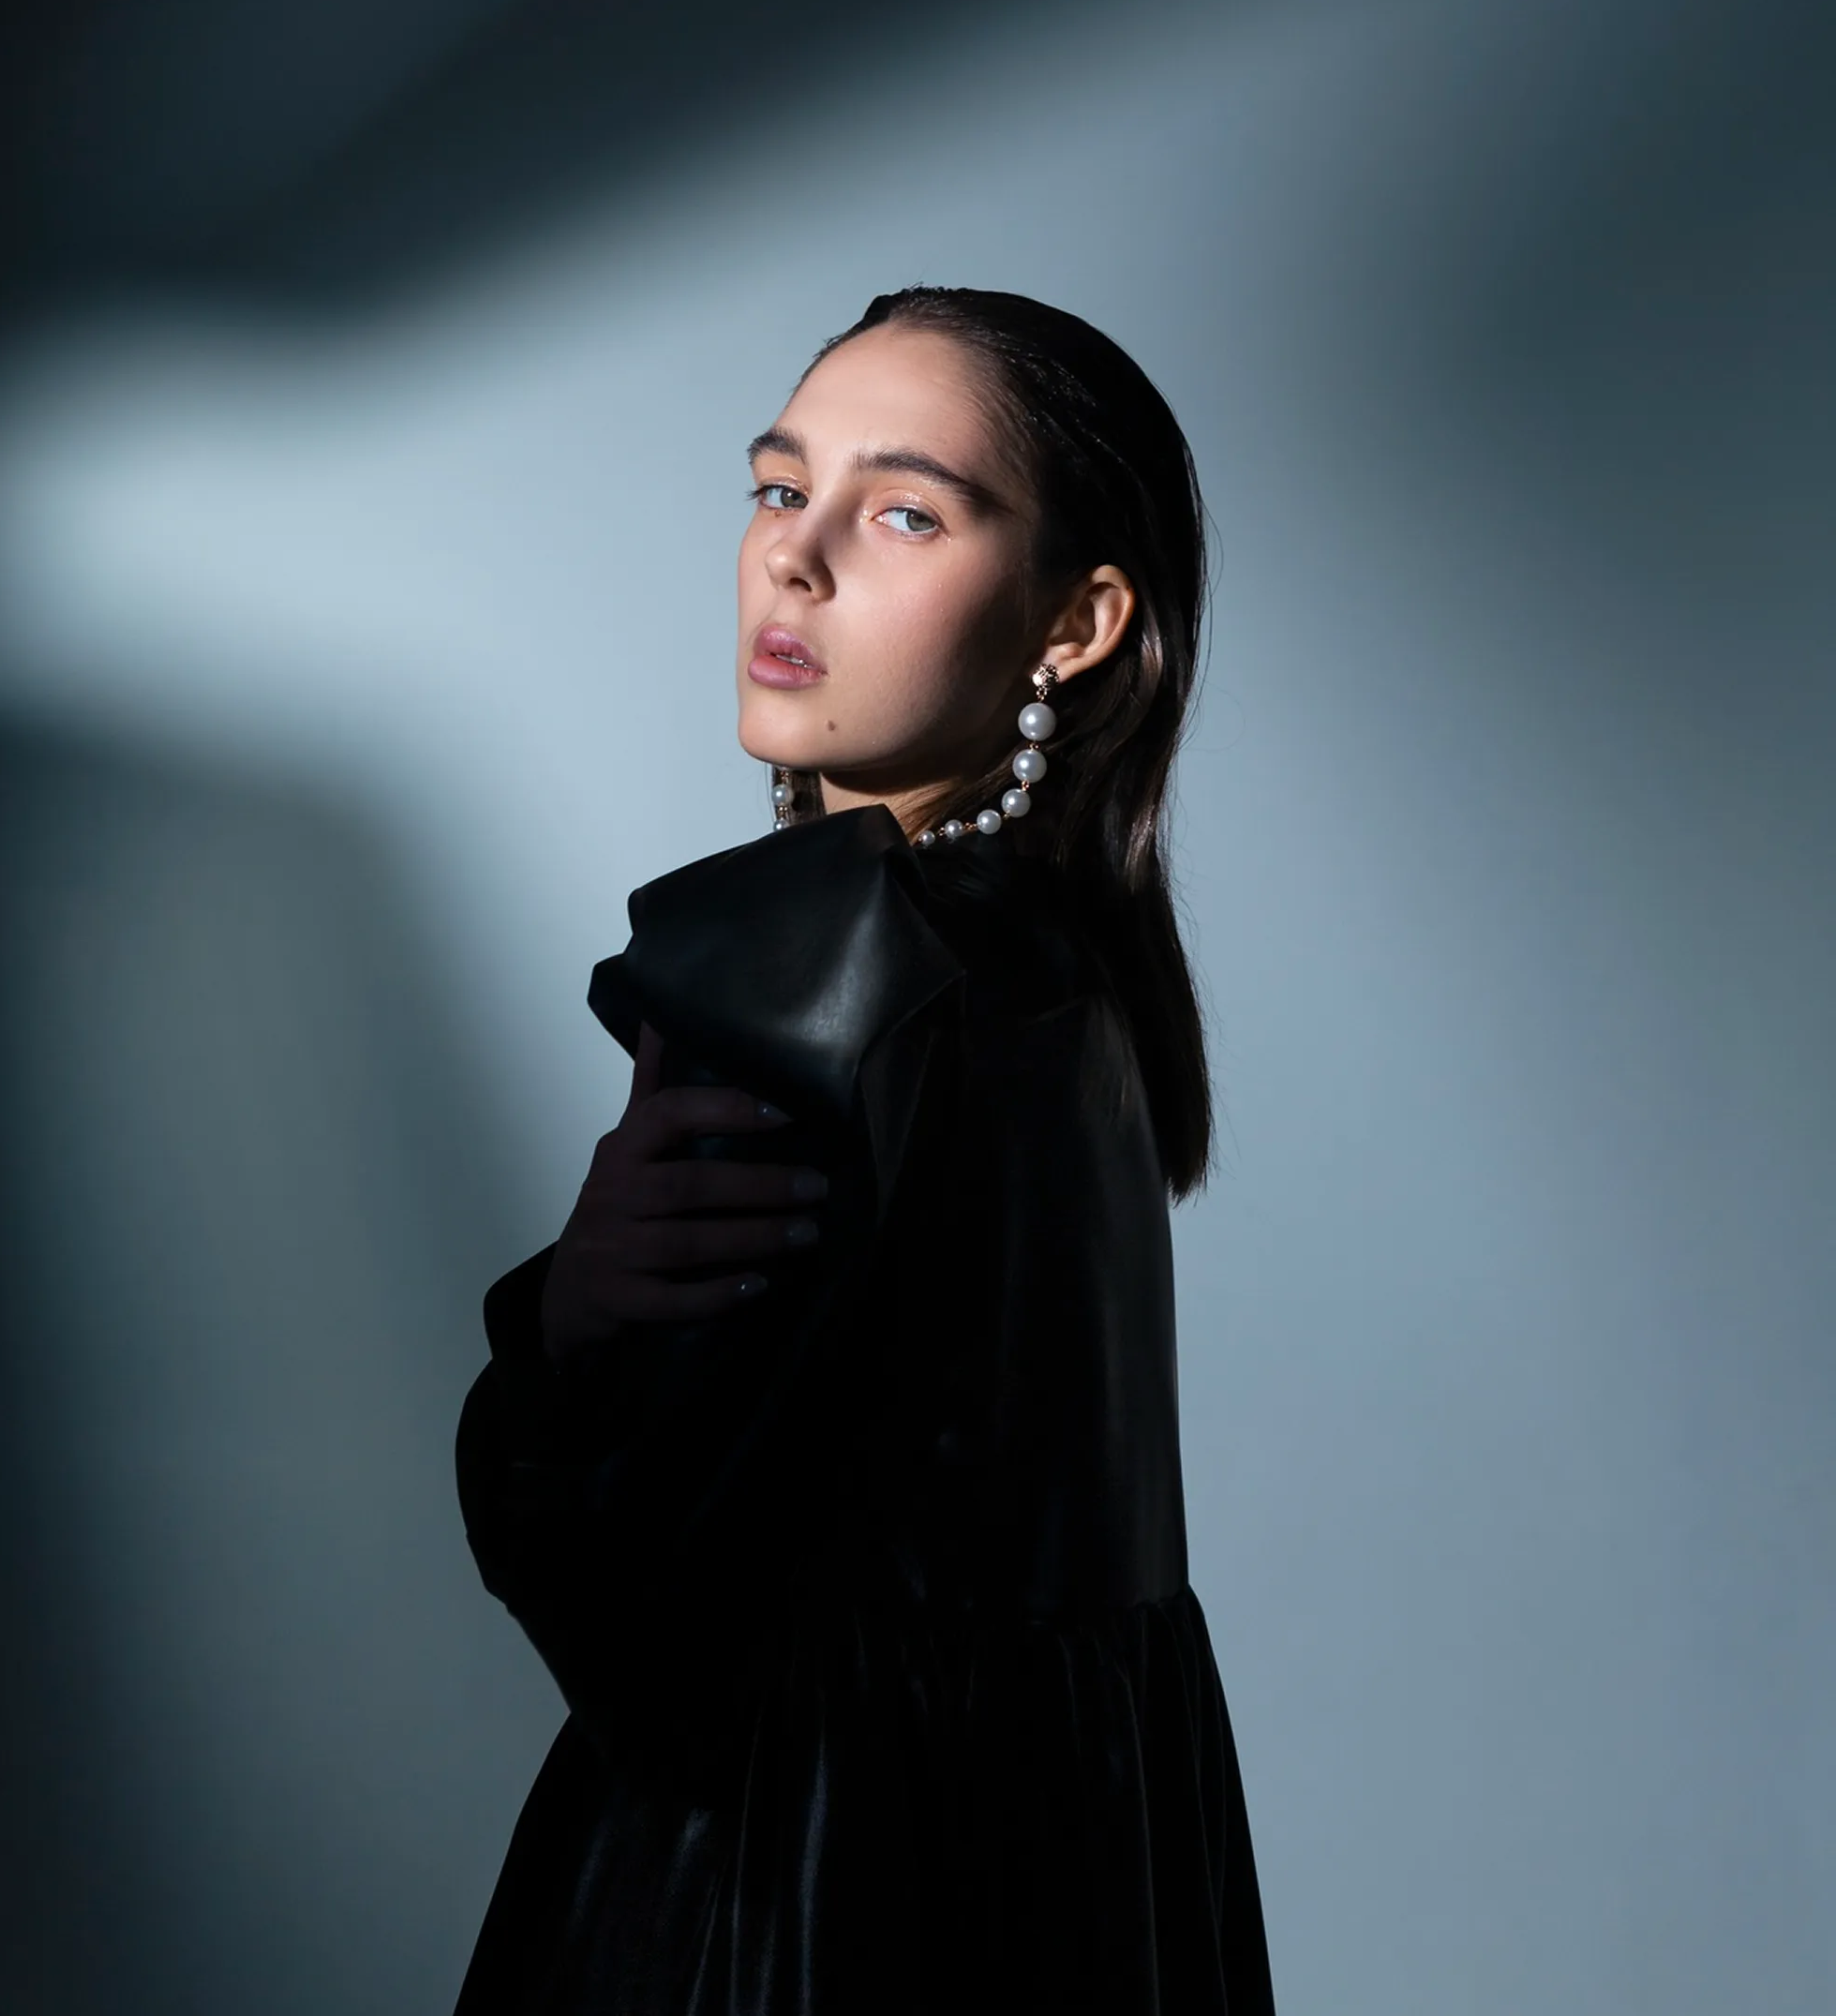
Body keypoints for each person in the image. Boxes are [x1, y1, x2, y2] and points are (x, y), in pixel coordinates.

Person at [452, 286, 1276, 2013]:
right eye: (781, 488)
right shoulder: (1069, 975)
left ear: (1077, 622)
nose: (796, 558)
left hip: (794, 1904)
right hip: (1084, 1889)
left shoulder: (840, 976)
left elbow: (629, 1612)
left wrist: (555, 1333)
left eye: (905, 514)